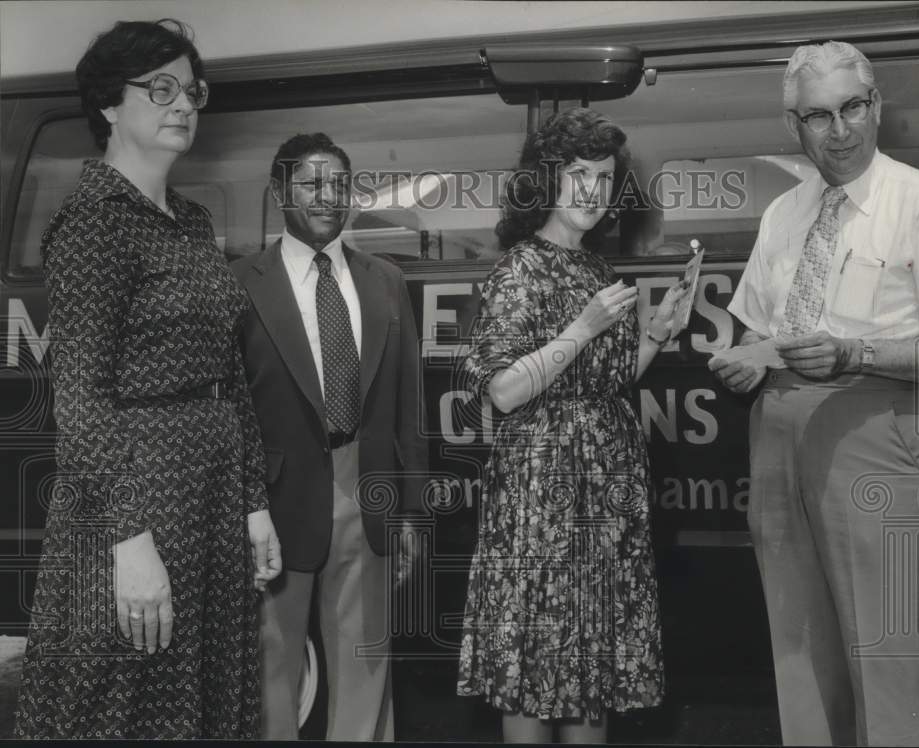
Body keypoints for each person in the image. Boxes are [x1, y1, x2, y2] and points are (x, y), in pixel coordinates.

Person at [709, 41, 919, 747]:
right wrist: (744, 360)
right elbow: (751, 327)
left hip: (882, 439)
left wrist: (855, 351)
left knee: (887, 663)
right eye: (818, 116)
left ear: (876, 107)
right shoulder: (783, 213)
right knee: (798, 655)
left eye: (852, 108)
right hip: (778, 441)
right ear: (793, 126)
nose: (839, 130)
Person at [13, 20, 282, 740]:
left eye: (191, 89)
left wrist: (253, 500)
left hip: (213, 488)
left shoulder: (191, 223)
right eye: (159, 88)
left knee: (204, 693)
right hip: (136, 496)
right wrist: (128, 542)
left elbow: (229, 374)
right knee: (123, 699)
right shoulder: (94, 223)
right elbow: (81, 403)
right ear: (108, 104)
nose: (183, 104)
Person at [456, 107, 686, 743]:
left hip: (605, 491)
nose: (593, 191)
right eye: (578, 174)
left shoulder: (597, 270)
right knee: (535, 658)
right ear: (546, 182)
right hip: (541, 494)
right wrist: (581, 328)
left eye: (605, 177)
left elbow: (603, 385)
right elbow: (504, 390)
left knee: (594, 660)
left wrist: (657, 336)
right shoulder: (518, 270)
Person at [231, 132, 427, 741]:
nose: (328, 197)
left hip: (366, 496)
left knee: (365, 664)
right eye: (313, 184)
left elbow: (407, 403)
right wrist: (243, 505)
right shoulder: (238, 283)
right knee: (272, 670)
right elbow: (228, 411)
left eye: (340, 185)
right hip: (274, 503)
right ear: (279, 192)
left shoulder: (386, 280)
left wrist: (412, 510)